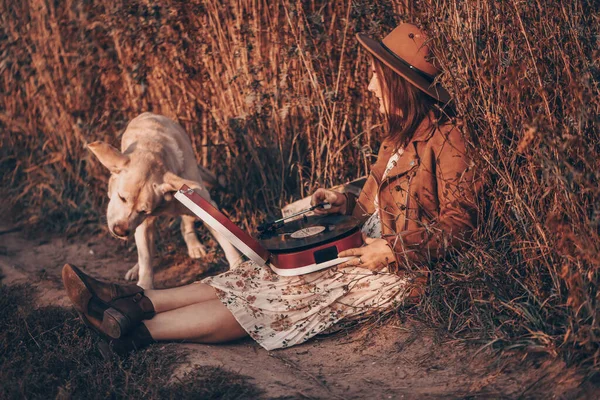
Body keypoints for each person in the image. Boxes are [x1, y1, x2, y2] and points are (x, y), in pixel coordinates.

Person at [62, 23, 479, 355]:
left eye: (375, 76)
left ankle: (133, 332)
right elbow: (370, 202)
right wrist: (343, 200)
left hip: (395, 267)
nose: (369, 86)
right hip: (362, 245)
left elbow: (462, 220)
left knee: (277, 298)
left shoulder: (449, 140)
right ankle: (128, 300)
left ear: (398, 82)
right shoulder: (396, 137)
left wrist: (392, 249)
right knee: (255, 274)